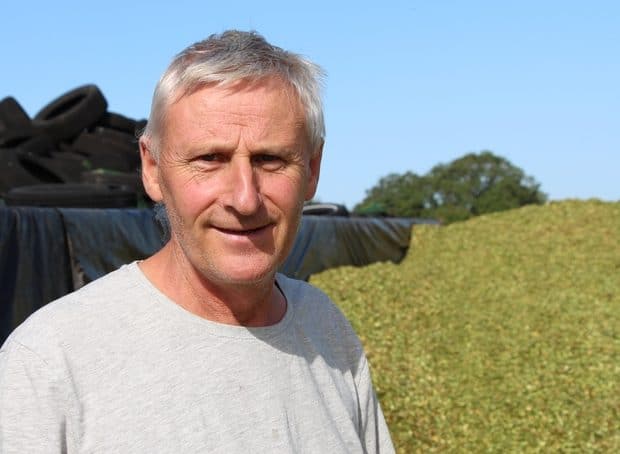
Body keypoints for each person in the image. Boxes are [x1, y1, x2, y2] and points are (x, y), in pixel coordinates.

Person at [0, 30, 395, 453]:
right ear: (152, 170)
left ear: (312, 171)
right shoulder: (50, 363)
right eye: (210, 159)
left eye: (271, 159)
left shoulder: (326, 329)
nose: (244, 198)